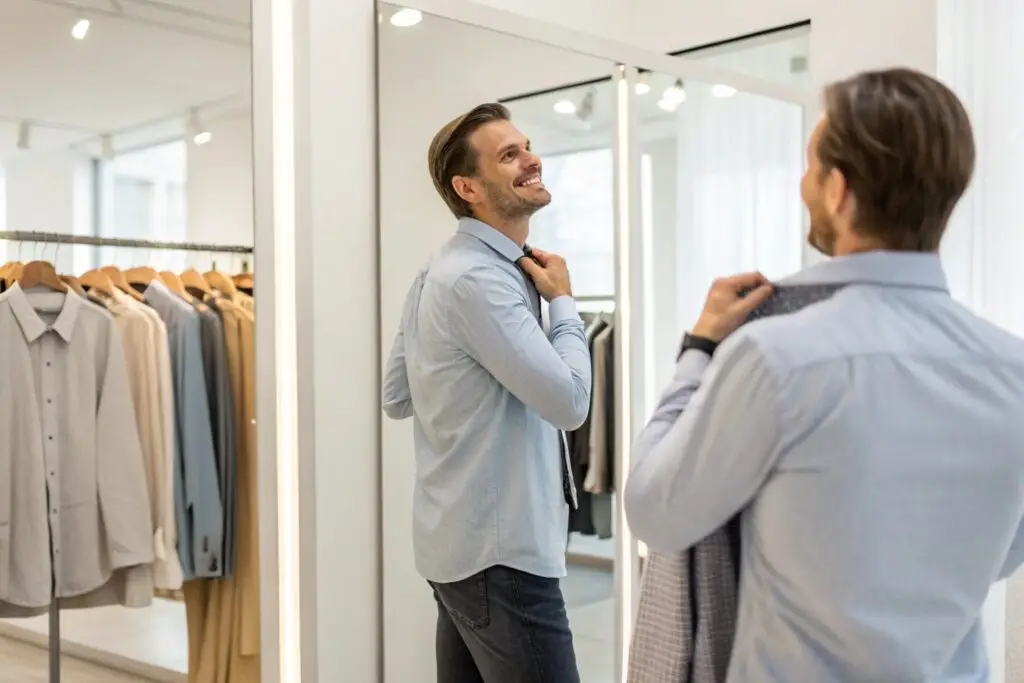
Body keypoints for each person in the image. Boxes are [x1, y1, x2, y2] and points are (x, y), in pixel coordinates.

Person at [624, 67, 1024, 682]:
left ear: (838, 191)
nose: (803, 184)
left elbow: (657, 511)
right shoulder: (1014, 370)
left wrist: (697, 349)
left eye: (811, 166)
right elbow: (1000, 556)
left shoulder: (774, 358)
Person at [382, 102, 591, 682]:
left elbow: (396, 394)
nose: (532, 159)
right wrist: (564, 303)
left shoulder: (441, 269)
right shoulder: (478, 280)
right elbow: (572, 403)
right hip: (503, 562)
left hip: (458, 549)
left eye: (526, 146)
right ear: (467, 187)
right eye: (510, 155)